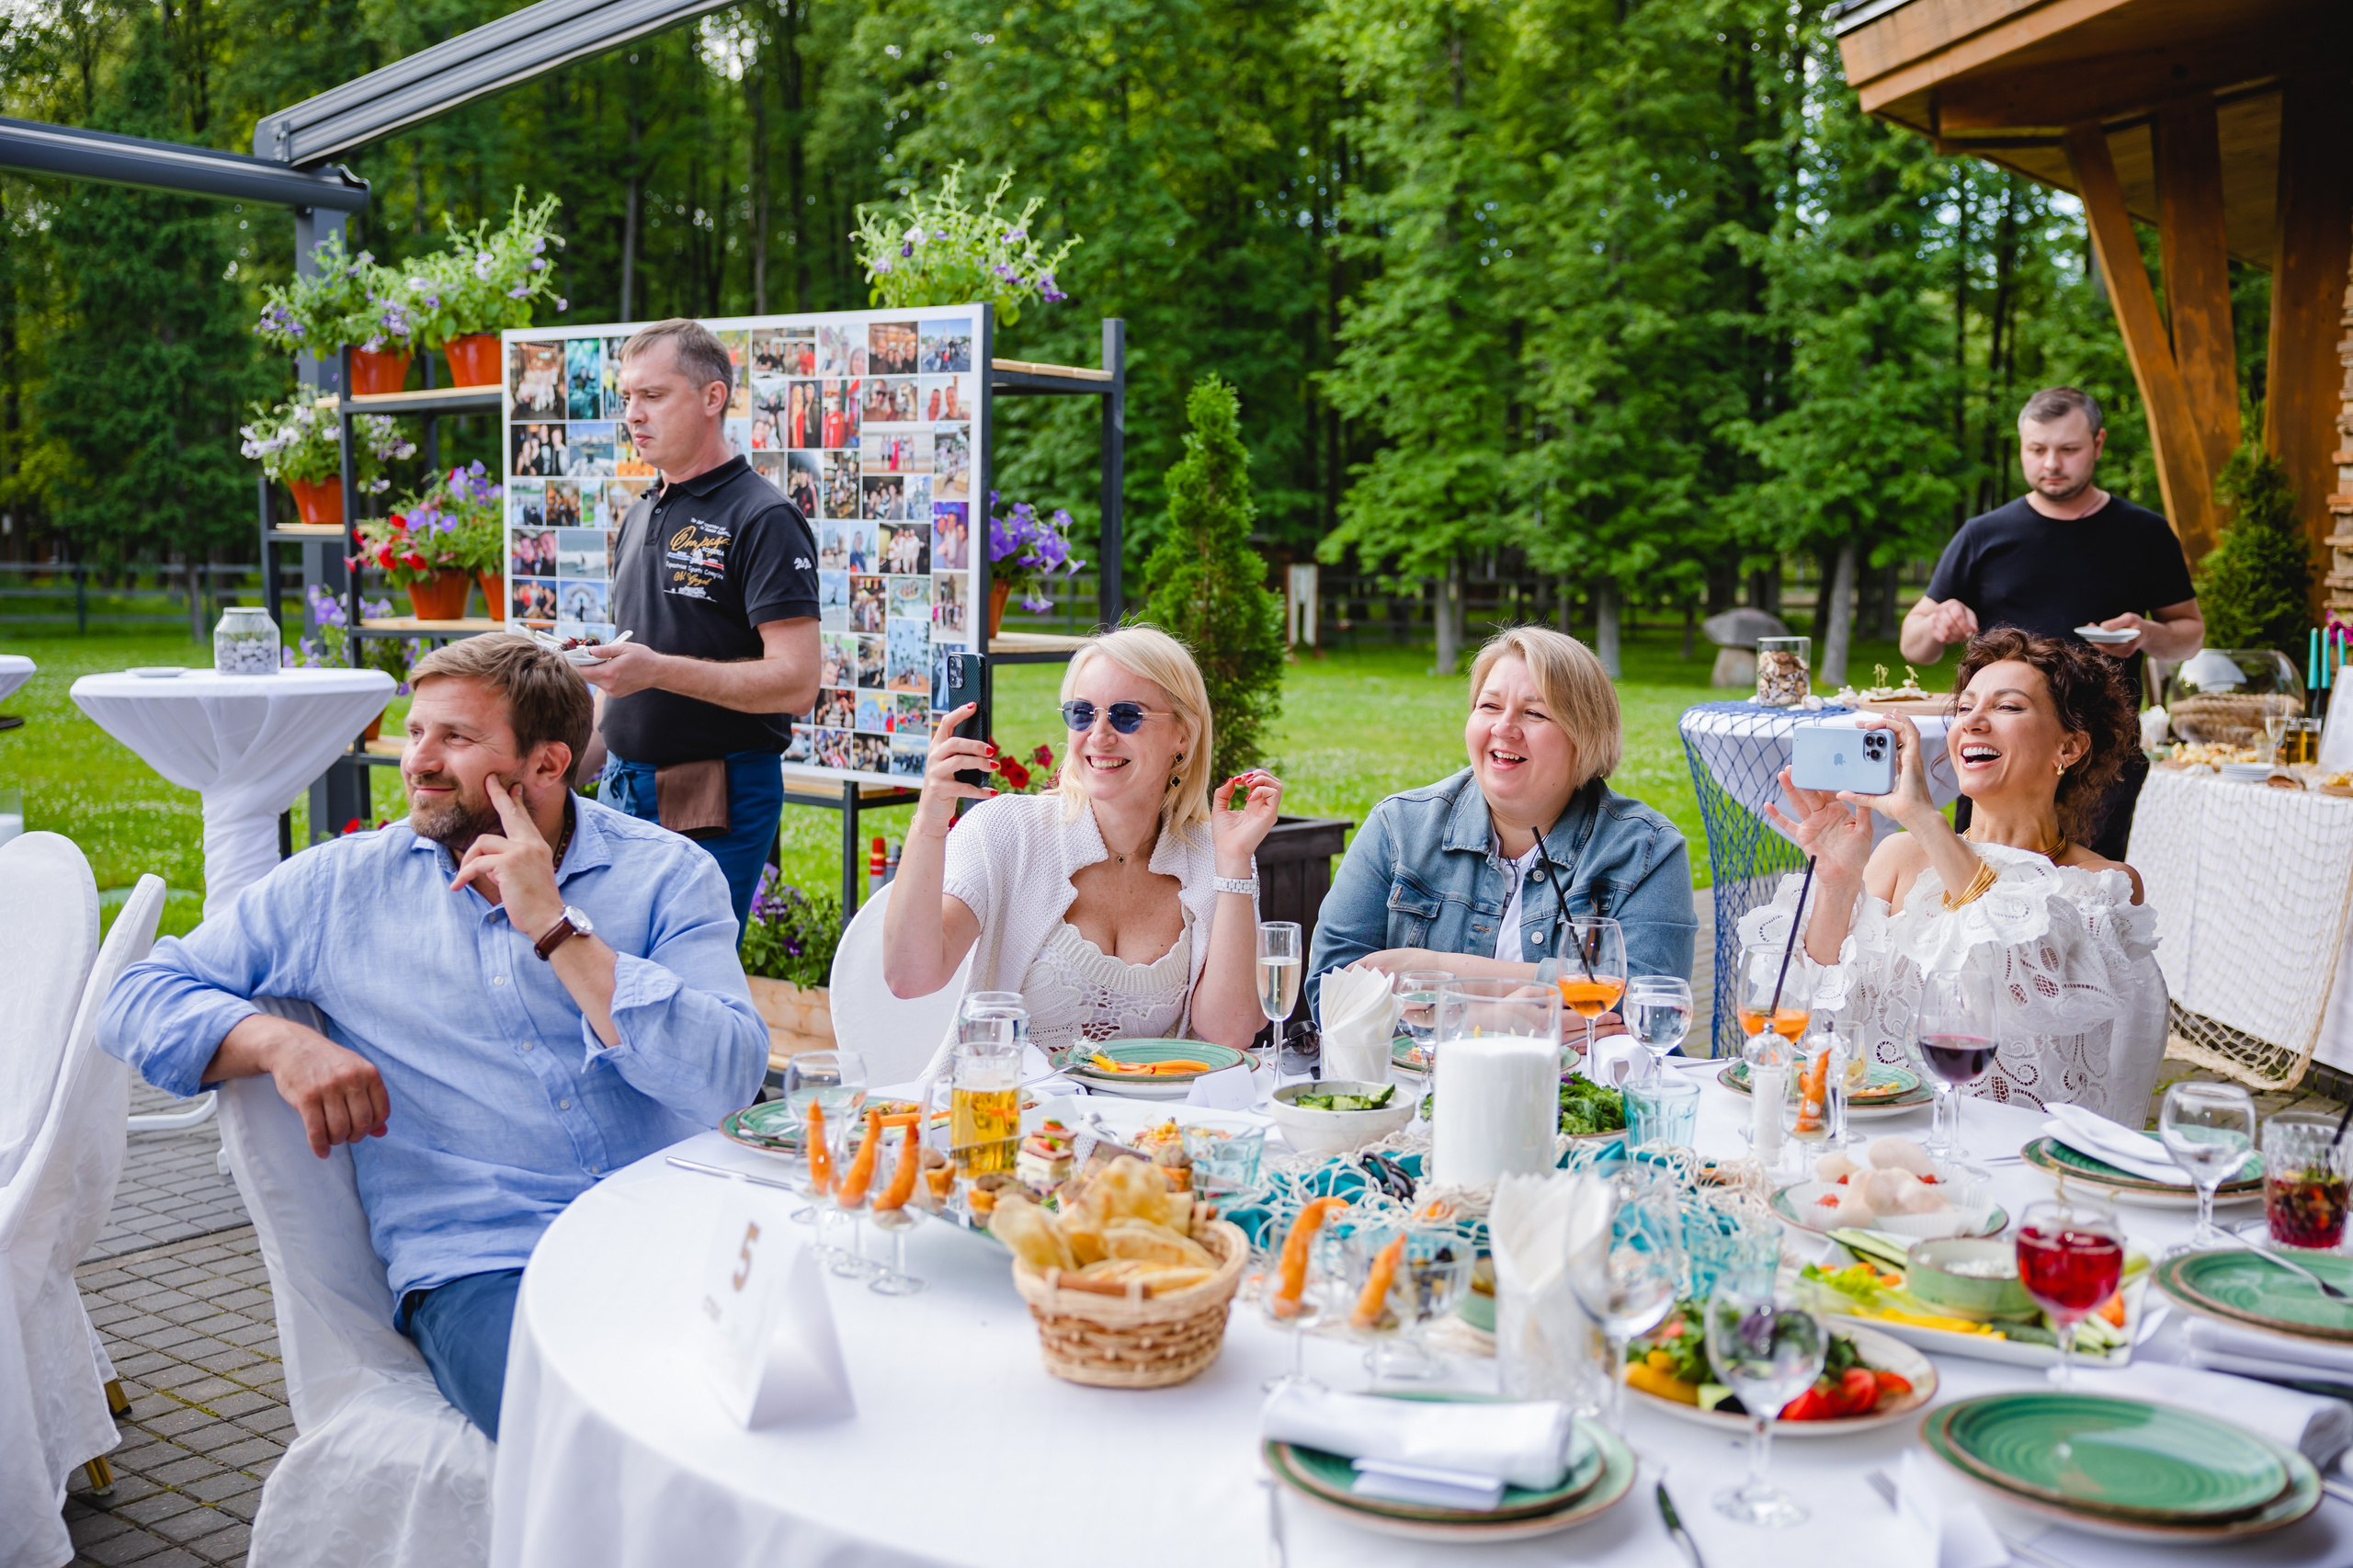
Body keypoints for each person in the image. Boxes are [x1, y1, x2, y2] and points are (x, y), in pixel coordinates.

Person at [97, 635, 766, 1438]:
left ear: (548, 766)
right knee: (593, 1432)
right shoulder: (338, 888)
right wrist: (279, 1043)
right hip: (487, 1266)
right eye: (417, 733)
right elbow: (134, 995)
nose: (419, 760)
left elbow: (726, 1079)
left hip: (676, 1229)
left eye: (456, 738)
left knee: (809, 1401)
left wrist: (556, 927)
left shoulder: (664, 876)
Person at [1752, 628, 2159, 1121]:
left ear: (2069, 748)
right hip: (1884, 1138)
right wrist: (1837, 883)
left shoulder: (2103, 886)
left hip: (2015, 1161)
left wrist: (1924, 818)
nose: (1974, 723)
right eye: (1965, 709)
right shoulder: (1900, 858)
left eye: (2008, 707)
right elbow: (1814, 1020)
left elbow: (2030, 985)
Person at [883, 626, 1283, 1060]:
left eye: (1127, 715)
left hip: (1155, 1125)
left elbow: (1230, 1032)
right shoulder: (1007, 831)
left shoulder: (1212, 855)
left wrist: (1235, 862)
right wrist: (930, 820)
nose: (1099, 734)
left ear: (1182, 736)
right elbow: (910, 977)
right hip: (1008, 1116)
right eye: (1082, 713)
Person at [580, 318, 822, 934]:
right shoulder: (641, 512)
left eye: (653, 396)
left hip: (715, 790)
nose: (633, 415)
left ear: (713, 398)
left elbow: (796, 682)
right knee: (611, 966)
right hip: (621, 787)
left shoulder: (764, 515)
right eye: (627, 397)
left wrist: (656, 671)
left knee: (683, 973)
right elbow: (627, 685)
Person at [1310, 625, 1698, 1009]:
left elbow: (1648, 1008)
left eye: (1534, 713)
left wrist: (1436, 970)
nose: (1504, 728)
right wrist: (1542, 1005)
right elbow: (1332, 994)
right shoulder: (1398, 827)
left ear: (1585, 736)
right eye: (1489, 706)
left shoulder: (1645, 851)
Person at [1902, 386, 2203, 858]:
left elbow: (2190, 634)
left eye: (2068, 450)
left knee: (2085, 899)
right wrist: (1936, 622)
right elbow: (1913, 643)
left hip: (2100, 757)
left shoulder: (2144, 534)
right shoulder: (1984, 535)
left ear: (2098, 444)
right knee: (1978, 881)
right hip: (1996, 751)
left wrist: (2148, 634)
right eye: (2037, 450)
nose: (2051, 464)